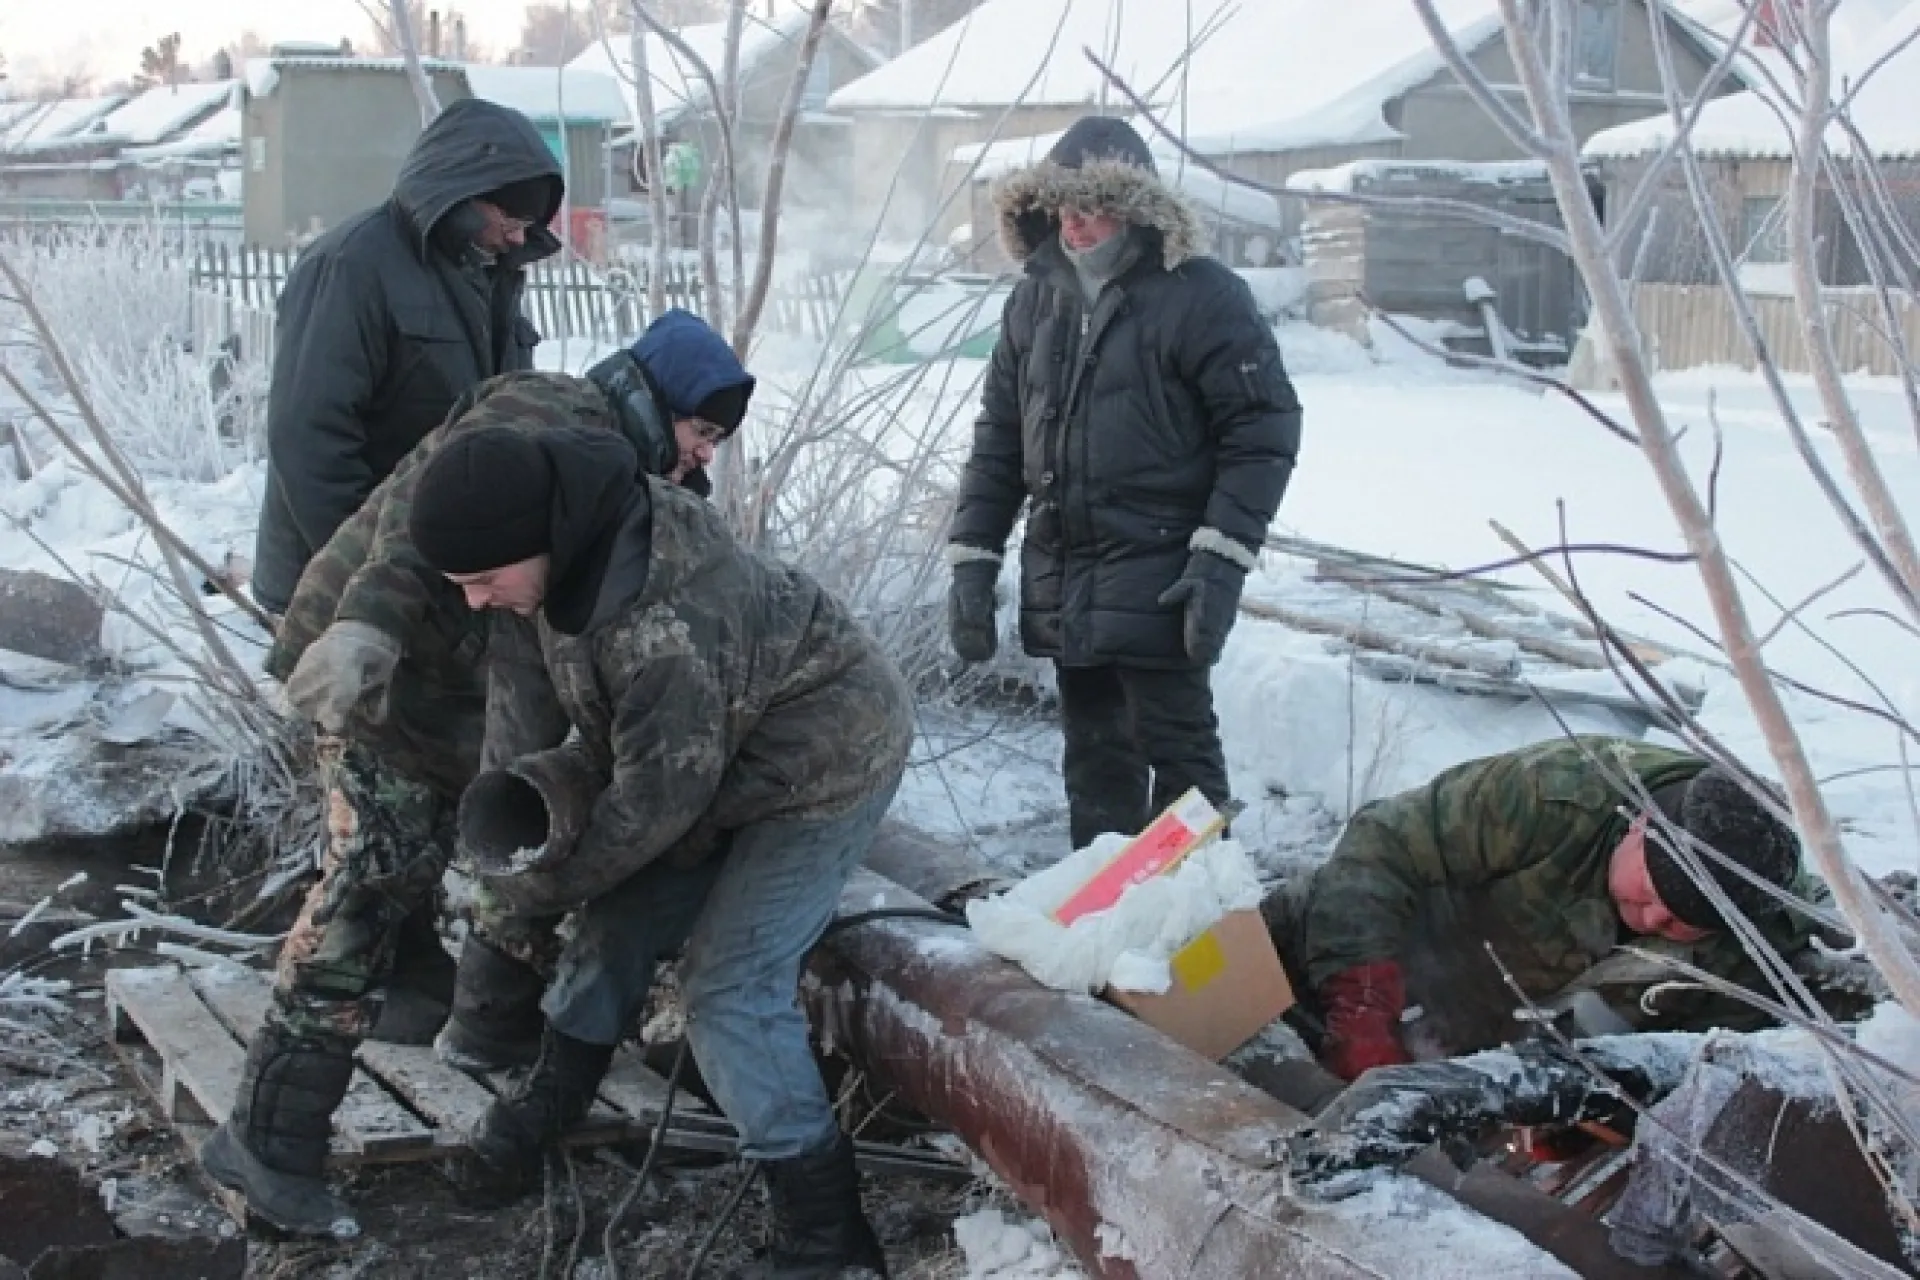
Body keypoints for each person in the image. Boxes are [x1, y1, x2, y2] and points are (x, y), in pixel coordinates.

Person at [199, 314, 755, 1237]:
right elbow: (422, 532)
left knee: (413, 873)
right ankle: (267, 1137)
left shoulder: (617, 465)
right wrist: (367, 629)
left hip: (456, 694)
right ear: (663, 400)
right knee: (368, 893)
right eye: (701, 432)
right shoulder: (548, 412)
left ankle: (441, 1010)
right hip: (386, 674)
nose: (701, 457)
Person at [408, 423, 913, 1278]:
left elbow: (650, 811)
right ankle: (553, 1103)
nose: (475, 600)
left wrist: (527, 900)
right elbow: (615, 752)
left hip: (819, 761)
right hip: (715, 747)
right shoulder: (574, 551)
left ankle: (827, 1238)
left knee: (728, 989)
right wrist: (533, 846)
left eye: (483, 580)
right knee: (620, 920)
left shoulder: (662, 625)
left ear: (532, 542)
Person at [946, 114, 1302, 851]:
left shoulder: (1201, 297)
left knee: (1184, 778)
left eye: (1094, 206)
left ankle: (1206, 950)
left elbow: (1263, 429)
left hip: (1164, 581)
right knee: (1095, 768)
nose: (1074, 225)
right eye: (1062, 207)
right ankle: (1107, 940)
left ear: (1136, 208)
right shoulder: (1032, 303)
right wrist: (974, 558)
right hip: (1068, 576)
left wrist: (1220, 559)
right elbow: (999, 442)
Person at [1262, 735, 1828, 1080]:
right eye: (1652, 892)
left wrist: (1584, 1109)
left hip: (1470, 1042)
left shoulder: (1757, 939)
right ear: (1642, 823)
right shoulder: (1554, 791)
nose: (1655, 920)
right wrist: (1361, 1001)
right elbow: (1383, 847)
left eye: (1683, 923)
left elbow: (1693, 1061)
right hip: (1355, 953)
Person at [250, 97, 565, 618]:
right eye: (510, 216)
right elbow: (309, 437)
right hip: (340, 584)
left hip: (439, 574)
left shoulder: (490, 274)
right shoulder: (351, 266)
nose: (518, 237)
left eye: (529, 223)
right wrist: (367, 577)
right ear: (461, 196)